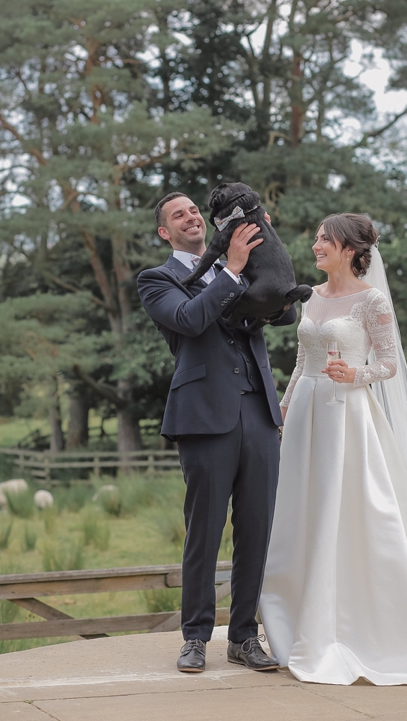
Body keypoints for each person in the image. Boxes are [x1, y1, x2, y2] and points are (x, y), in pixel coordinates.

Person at [258, 212, 407, 685]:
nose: (315, 246)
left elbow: (389, 364)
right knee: (298, 513)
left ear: (349, 249)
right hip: (308, 411)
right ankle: (293, 617)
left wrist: (356, 374)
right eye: (316, 238)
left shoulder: (372, 302)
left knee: (344, 511)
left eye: (324, 239)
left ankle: (346, 622)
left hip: (346, 416)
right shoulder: (311, 296)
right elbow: (301, 360)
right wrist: (283, 411)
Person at [136, 192, 298, 674]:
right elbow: (189, 319)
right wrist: (231, 269)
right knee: (204, 531)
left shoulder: (242, 256)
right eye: (178, 215)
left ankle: (245, 637)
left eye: (193, 210)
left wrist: (265, 252)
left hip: (260, 411)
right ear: (166, 232)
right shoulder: (158, 280)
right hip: (203, 415)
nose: (190, 217)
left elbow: (284, 313)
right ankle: (195, 637)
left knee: (257, 528)